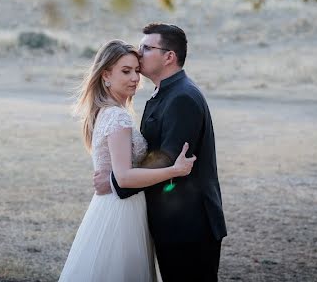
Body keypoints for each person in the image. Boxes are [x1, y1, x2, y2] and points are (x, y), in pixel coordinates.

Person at [93, 23, 227, 282]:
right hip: (173, 222)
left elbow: (167, 158)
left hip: (190, 225)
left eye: (146, 47)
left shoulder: (182, 98)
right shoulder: (164, 94)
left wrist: (115, 180)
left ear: (169, 57)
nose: (139, 52)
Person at [59, 40, 196, 282]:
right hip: (120, 210)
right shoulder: (116, 117)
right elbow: (123, 177)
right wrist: (175, 170)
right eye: (125, 71)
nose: (134, 78)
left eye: (136, 71)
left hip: (117, 204)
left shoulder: (108, 111)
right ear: (106, 75)